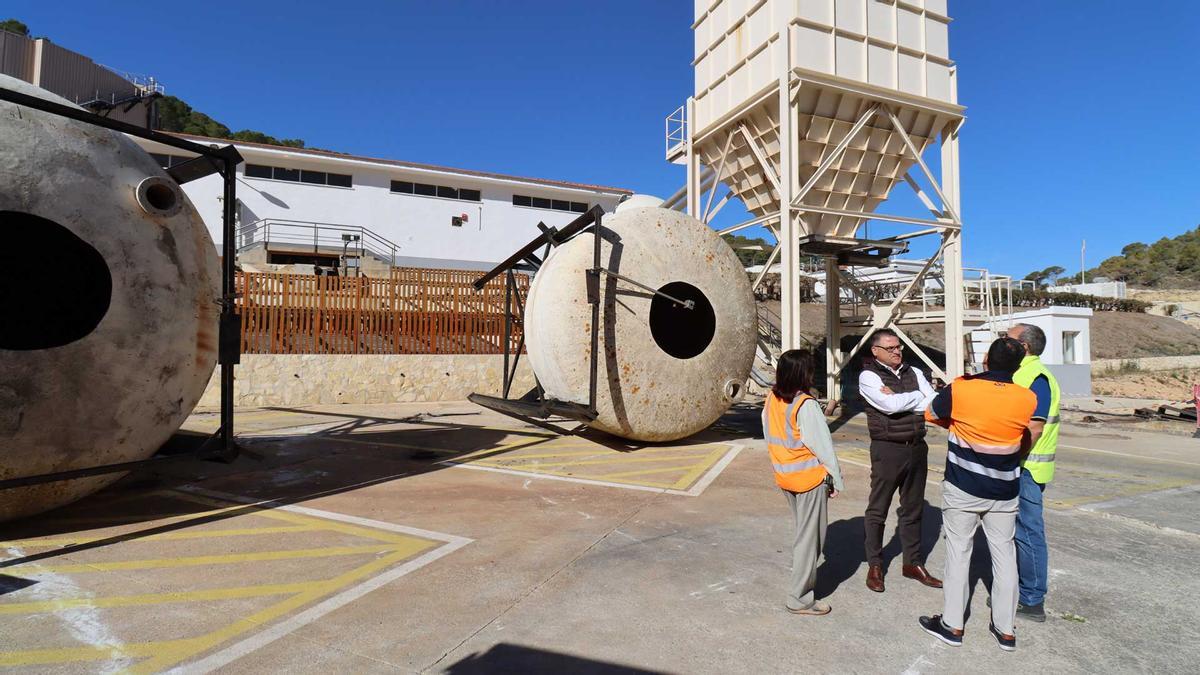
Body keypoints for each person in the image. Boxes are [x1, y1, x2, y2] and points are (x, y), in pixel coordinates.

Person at [918, 337, 1037, 652]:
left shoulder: (962, 389)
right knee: (1005, 555)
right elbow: (1025, 435)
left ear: (986, 359)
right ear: (1019, 365)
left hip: (964, 487)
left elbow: (930, 413)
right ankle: (1005, 630)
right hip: (1005, 488)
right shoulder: (1027, 398)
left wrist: (959, 423)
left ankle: (952, 625)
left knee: (959, 554)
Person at [857, 329, 941, 593]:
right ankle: (875, 565)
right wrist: (915, 398)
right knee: (878, 509)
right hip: (887, 449)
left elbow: (933, 402)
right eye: (891, 348)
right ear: (876, 351)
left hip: (916, 448)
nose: (897, 352)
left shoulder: (914, 372)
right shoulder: (868, 375)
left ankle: (912, 563)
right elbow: (888, 406)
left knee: (913, 508)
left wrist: (901, 398)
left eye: (899, 347)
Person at [763, 349, 845, 616]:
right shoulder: (805, 405)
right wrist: (835, 480)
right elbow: (823, 447)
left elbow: (770, 434)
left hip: (786, 476)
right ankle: (799, 598)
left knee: (803, 536)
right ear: (804, 374)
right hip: (809, 480)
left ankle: (799, 580)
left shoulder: (772, 399)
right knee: (810, 541)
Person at [1006, 323, 1060, 622]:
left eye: (1008, 338)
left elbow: (1033, 429)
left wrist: (1007, 458)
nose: (1002, 341)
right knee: (1014, 531)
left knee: (1028, 532)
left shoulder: (1035, 377)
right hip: (1020, 465)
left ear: (1023, 346)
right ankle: (1019, 589)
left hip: (1027, 467)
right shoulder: (1020, 373)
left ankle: (1032, 599)